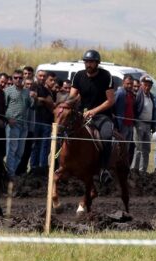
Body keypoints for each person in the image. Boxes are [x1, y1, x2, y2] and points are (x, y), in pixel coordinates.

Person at [68, 49, 116, 184]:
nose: (88, 64)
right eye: (86, 62)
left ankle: (104, 169)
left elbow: (110, 100)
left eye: (91, 62)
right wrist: (65, 106)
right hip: (81, 115)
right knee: (65, 132)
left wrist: (94, 111)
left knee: (106, 136)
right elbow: (72, 97)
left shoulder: (106, 76)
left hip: (101, 116)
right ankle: (62, 164)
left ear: (97, 63)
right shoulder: (78, 76)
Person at [3, 69, 33, 178]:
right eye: (15, 78)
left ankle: (12, 172)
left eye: (20, 78)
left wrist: (34, 98)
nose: (18, 80)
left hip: (24, 125)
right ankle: (10, 174)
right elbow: (3, 107)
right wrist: (7, 119)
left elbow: (32, 106)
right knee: (11, 151)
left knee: (20, 152)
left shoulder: (27, 92)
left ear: (23, 79)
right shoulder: (7, 91)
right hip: (12, 125)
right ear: (12, 79)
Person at [30, 71, 56, 173]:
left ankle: (42, 167)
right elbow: (35, 100)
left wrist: (43, 99)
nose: (42, 78)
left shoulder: (46, 89)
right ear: (36, 76)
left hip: (46, 121)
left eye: (44, 76)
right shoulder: (33, 86)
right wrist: (43, 100)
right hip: (36, 121)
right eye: (40, 76)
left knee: (45, 146)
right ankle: (34, 167)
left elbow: (51, 103)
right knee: (36, 145)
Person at [131, 76, 154, 173]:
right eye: (145, 85)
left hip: (148, 125)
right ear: (142, 85)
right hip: (139, 123)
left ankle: (143, 170)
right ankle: (134, 169)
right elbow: (134, 108)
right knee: (138, 148)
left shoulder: (151, 96)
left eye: (149, 85)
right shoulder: (138, 95)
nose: (147, 87)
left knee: (147, 149)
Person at [114, 75, 136, 160]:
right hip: (122, 125)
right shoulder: (120, 93)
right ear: (123, 82)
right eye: (128, 84)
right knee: (120, 147)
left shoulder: (131, 94)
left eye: (131, 84)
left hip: (130, 124)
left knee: (126, 148)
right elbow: (113, 106)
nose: (130, 86)